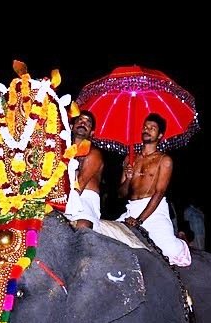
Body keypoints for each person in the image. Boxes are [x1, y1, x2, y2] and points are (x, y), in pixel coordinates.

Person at [117, 113, 191, 267]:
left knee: (169, 251)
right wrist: (129, 178)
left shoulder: (164, 160)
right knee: (107, 239)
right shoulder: (129, 159)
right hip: (131, 209)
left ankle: (182, 243)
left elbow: (159, 193)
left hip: (154, 212)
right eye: (145, 127)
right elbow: (121, 194)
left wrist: (139, 221)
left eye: (152, 128)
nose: (147, 130)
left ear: (160, 135)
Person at [64, 110, 104, 230]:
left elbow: (80, 183)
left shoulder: (94, 153)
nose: (83, 123)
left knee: (82, 225)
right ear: (71, 126)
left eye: (88, 122)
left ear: (92, 133)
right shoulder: (62, 151)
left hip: (85, 199)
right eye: (80, 120)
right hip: (64, 196)